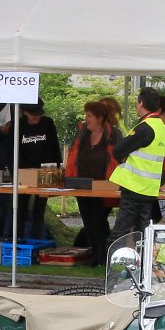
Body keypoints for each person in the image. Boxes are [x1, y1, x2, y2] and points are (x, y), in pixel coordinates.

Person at [0, 99, 60, 240]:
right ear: (25, 112)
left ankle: (37, 239)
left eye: (39, 114)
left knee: (40, 208)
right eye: (33, 115)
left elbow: (54, 146)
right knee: (20, 207)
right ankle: (19, 239)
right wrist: (17, 173)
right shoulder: (18, 126)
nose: (36, 118)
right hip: (24, 171)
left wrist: (57, 167)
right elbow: (11, 152)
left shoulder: (48, 123)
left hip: (45, 170)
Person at [106, 86, 165, 250]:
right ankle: (144, 263)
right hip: (150, 188)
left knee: (119, 233)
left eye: (137, 102)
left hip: (134, 186)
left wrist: (125, 156)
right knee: (144, 232)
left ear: (141, 103)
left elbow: (118, 150)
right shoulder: (164, 130)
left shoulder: (144, 128)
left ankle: (114, 263)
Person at [65, 98, 122, 265]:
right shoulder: (82, 135)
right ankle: (95, 254)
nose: (86, 119)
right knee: (88, 222)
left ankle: (101, 255)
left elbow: (120, 159)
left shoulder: (113, 135)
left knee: (98, 220)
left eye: (89, 116)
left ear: (100, 118)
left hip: (104, 187)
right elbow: (74, 156)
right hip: (82, 186)